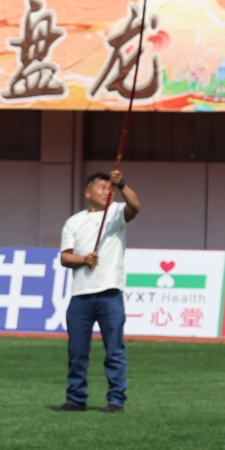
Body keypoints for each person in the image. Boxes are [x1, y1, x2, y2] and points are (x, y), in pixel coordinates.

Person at [56, 171, 140, 413]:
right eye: (101, 187)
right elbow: (64, 257)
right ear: (87, 192)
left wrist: (122, 183)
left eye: (109, 188)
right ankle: (76, 398)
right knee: (77, 351)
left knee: (114, 349)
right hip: (80, 295)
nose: (107, 192)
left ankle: (116, 399)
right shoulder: (74, 221)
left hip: (110, 293)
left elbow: (135, 206)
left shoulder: (116, 214)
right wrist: (84, 259)